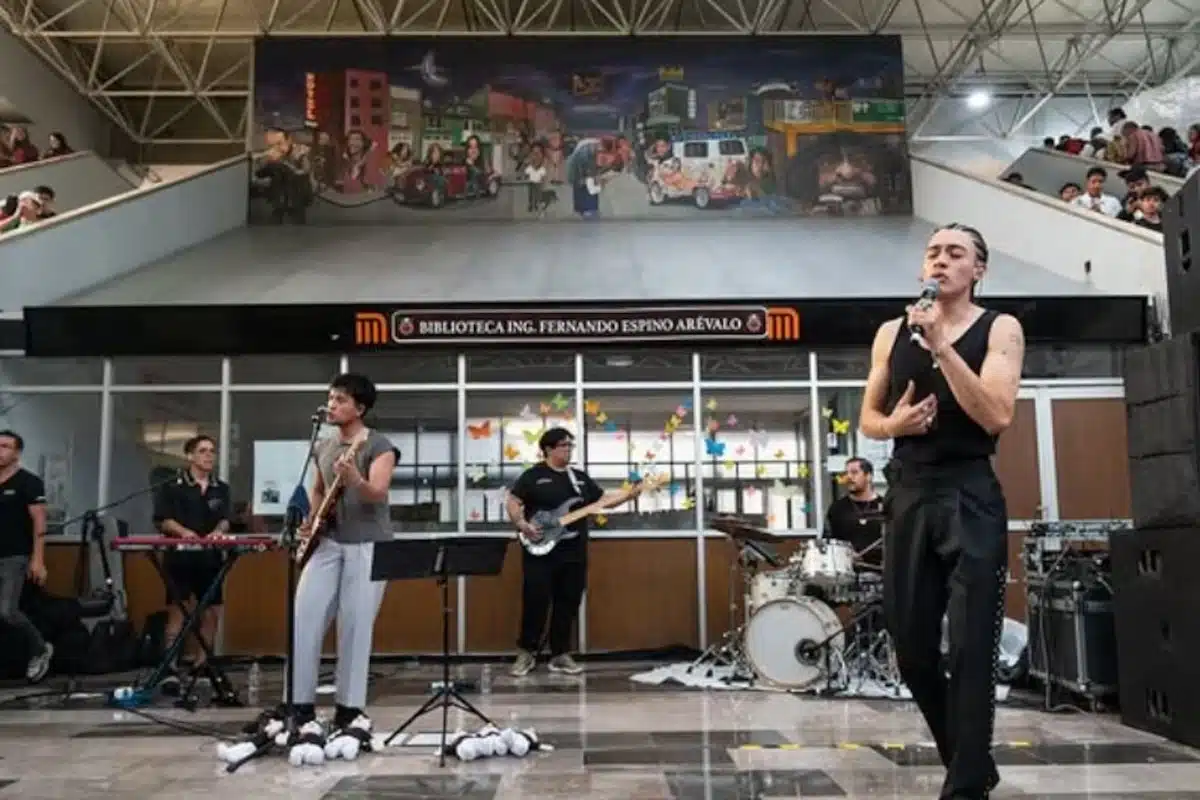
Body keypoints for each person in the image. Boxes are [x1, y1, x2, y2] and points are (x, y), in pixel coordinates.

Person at [858, 223, 1025, 800]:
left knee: (973, 645)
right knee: (911, 649)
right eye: (933, 251)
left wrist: (943, 347)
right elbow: (869, 419)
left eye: (956, 253)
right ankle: (970, 763)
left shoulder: (1000, 328)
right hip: (907, 491)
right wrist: (894, 426)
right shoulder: (890, 332)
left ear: (978, 270)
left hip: (969, 491)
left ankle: (963, 787)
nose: (941, 260)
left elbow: (995, 414)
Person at [287, 373, 397, 752]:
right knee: (304, 616)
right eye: (330, 398)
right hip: (329, 542)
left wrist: (354, 480)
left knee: (355, 625)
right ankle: (299, 706)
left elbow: (377, 494)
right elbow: (318, 489)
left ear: (360, 408)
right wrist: (312, 521)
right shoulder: (323, 445)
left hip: (368, 544)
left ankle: (349, 709)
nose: (331, 405)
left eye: (340, 400)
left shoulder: (379, 445)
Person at [506, 428, 603, 677]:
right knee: (535, 600)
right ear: (548, 448)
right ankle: (526, 652)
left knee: (568, 602)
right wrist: (522, 525)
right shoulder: (533, 476)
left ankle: (560, 654)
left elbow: (601, 502)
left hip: (574, 551)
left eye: (571, 445)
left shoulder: (579, 479)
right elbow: (513, 501)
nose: (568, 449)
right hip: (540, 550)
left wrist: (629, 495)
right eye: (563, 445)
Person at [152, 434, 232, 690]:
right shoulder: (172, 485)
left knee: (211, 611)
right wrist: (184, 532)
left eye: (212, 451)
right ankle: (170, 666)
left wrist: (220, 530)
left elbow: (226, 518)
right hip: (181, 555)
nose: (209, 456)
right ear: (190, 456)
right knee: (179, 609)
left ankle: (202, 663)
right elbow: (162, 519)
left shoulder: (221, 487)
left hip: (210, 557)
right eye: (203, 451)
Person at [0, 429, 54, 682]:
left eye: (5, 446)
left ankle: (40, 648)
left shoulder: (29, 482)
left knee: (8, 611)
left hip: (15, 555)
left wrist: (38, 559)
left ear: (17, 453)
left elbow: (39, 522)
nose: (0, 451)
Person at [822, 457, 885, 570]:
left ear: (868, 476)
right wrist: (845, 554)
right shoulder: (837, 508)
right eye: (847, 473)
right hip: (847, 574)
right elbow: (827, 543)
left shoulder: (886, 507)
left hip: (881, 574)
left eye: (854, 472)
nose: (849, 477)